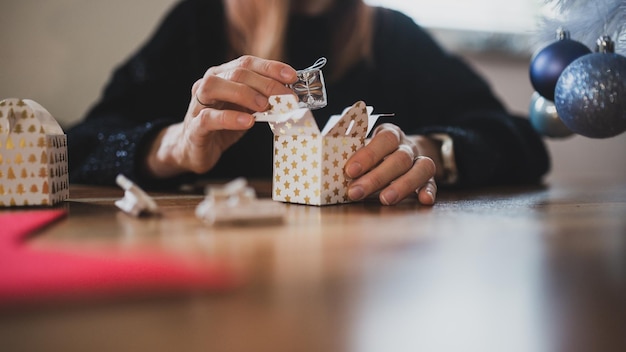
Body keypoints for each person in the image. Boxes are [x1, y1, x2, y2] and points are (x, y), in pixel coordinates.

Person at [67, 0, 550, 206]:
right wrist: (172, 147)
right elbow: (80, 142)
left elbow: (523, 139)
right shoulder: (199, 24)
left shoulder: (393, 36)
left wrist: (432, 150)